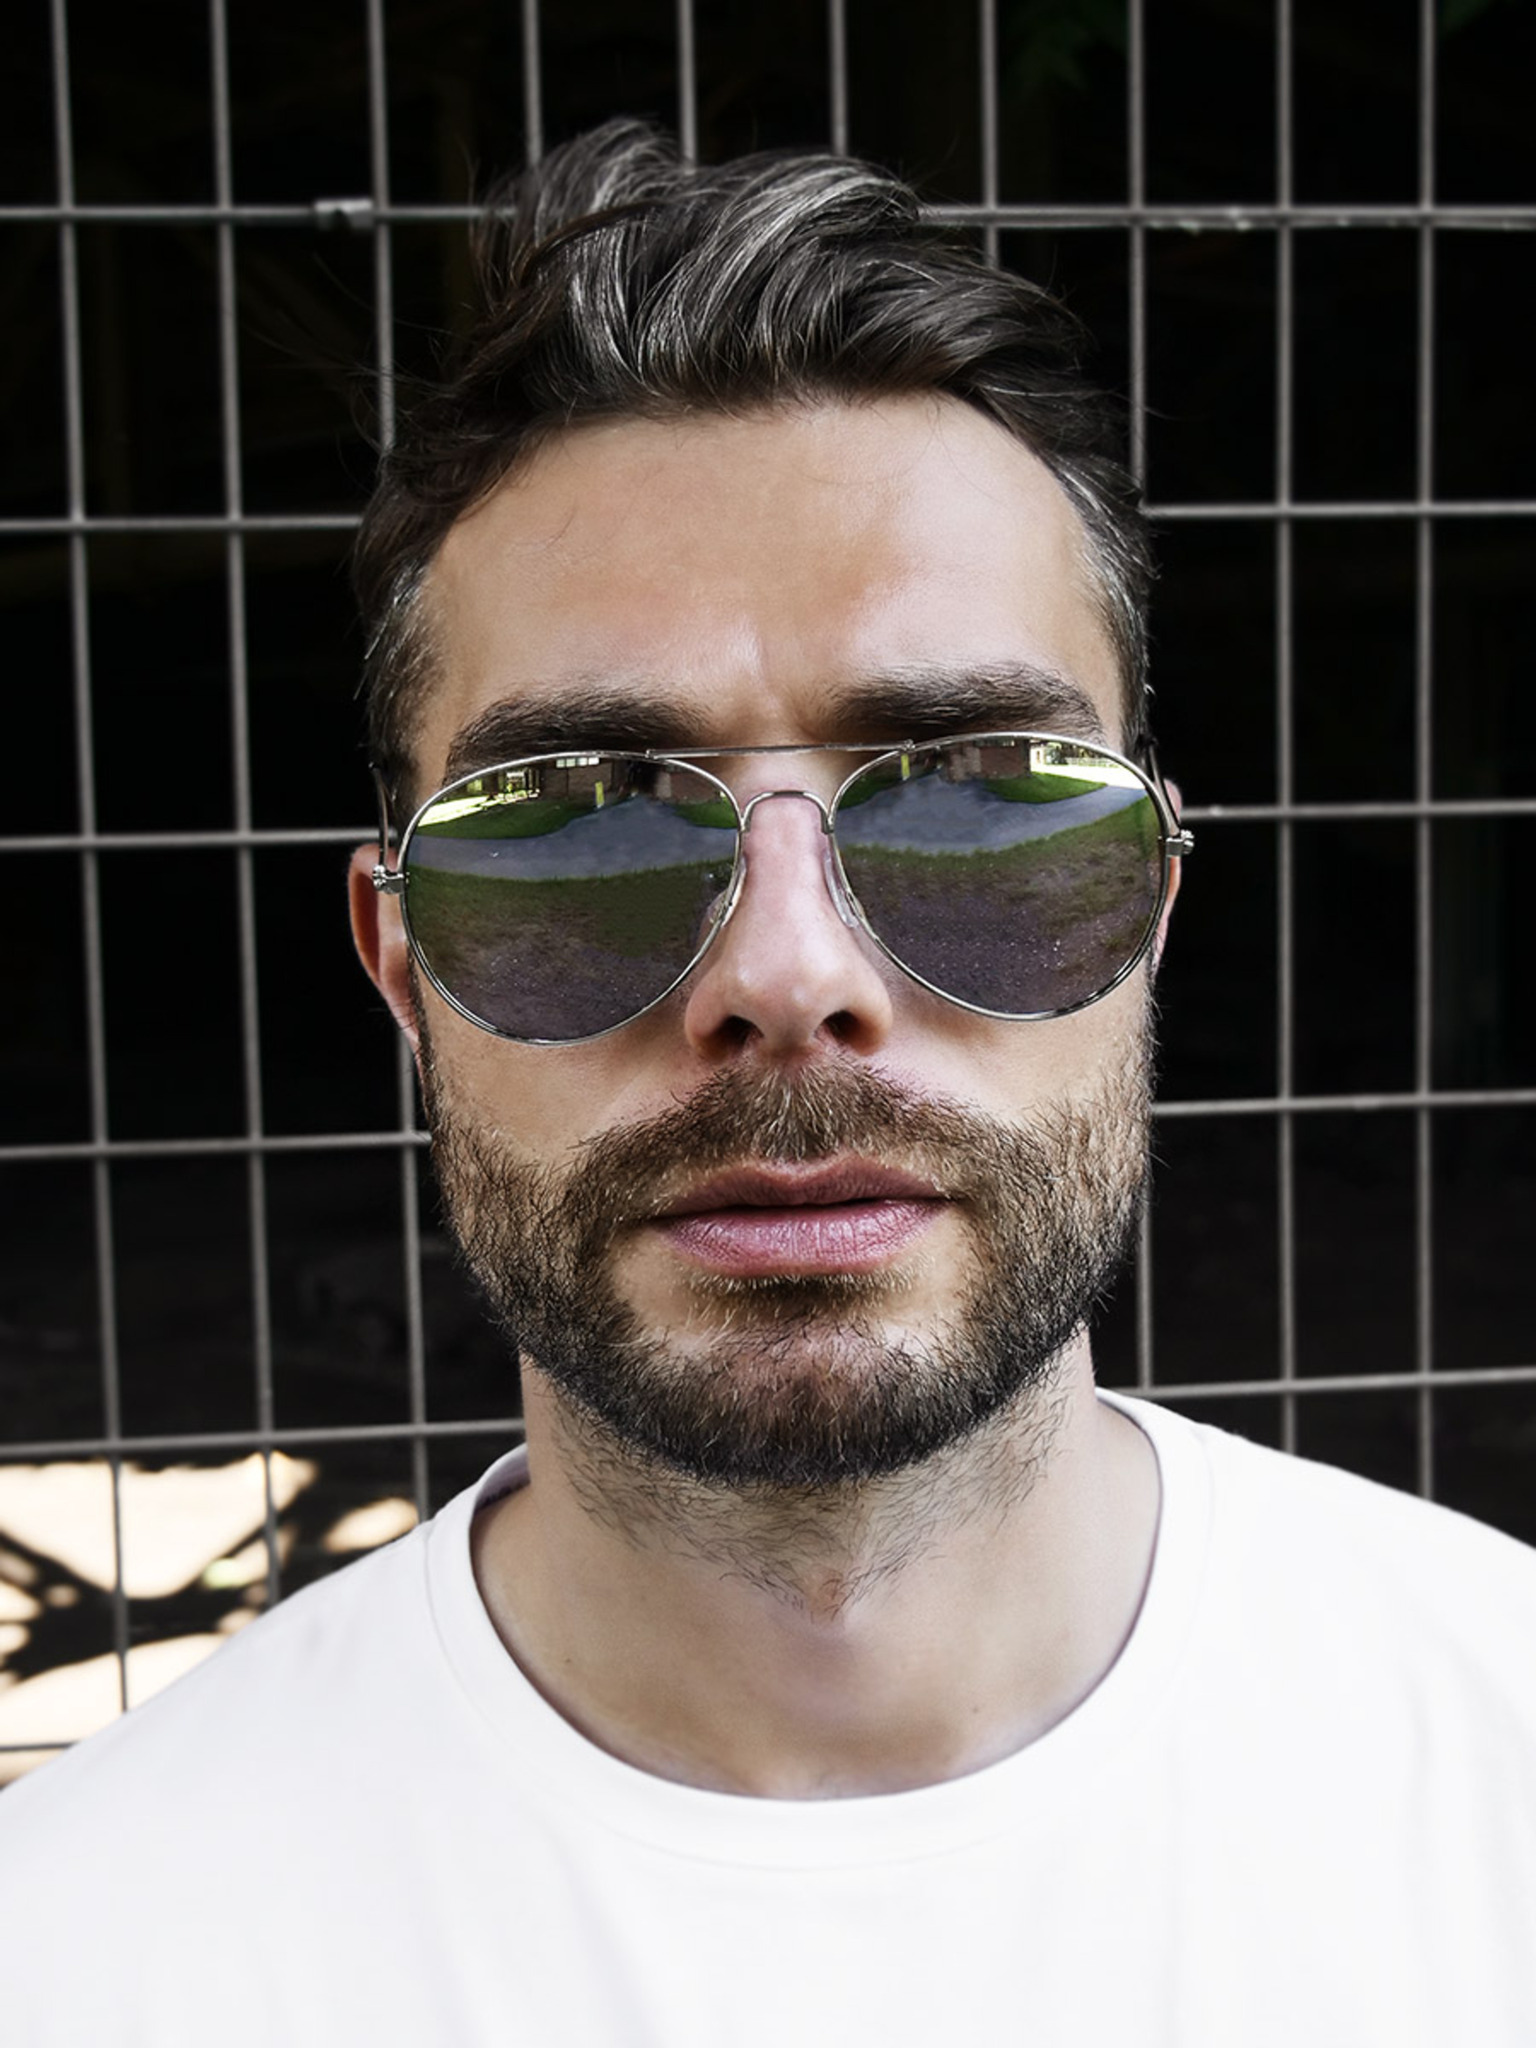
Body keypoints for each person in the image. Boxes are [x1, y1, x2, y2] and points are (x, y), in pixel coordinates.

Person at [1, 119, 1533, 2046]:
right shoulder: (79, 1956)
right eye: (574, 829)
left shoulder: (1501, 1774)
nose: (791, 979)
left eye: (984, 803)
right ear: (403, 967)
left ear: (1147, 904)